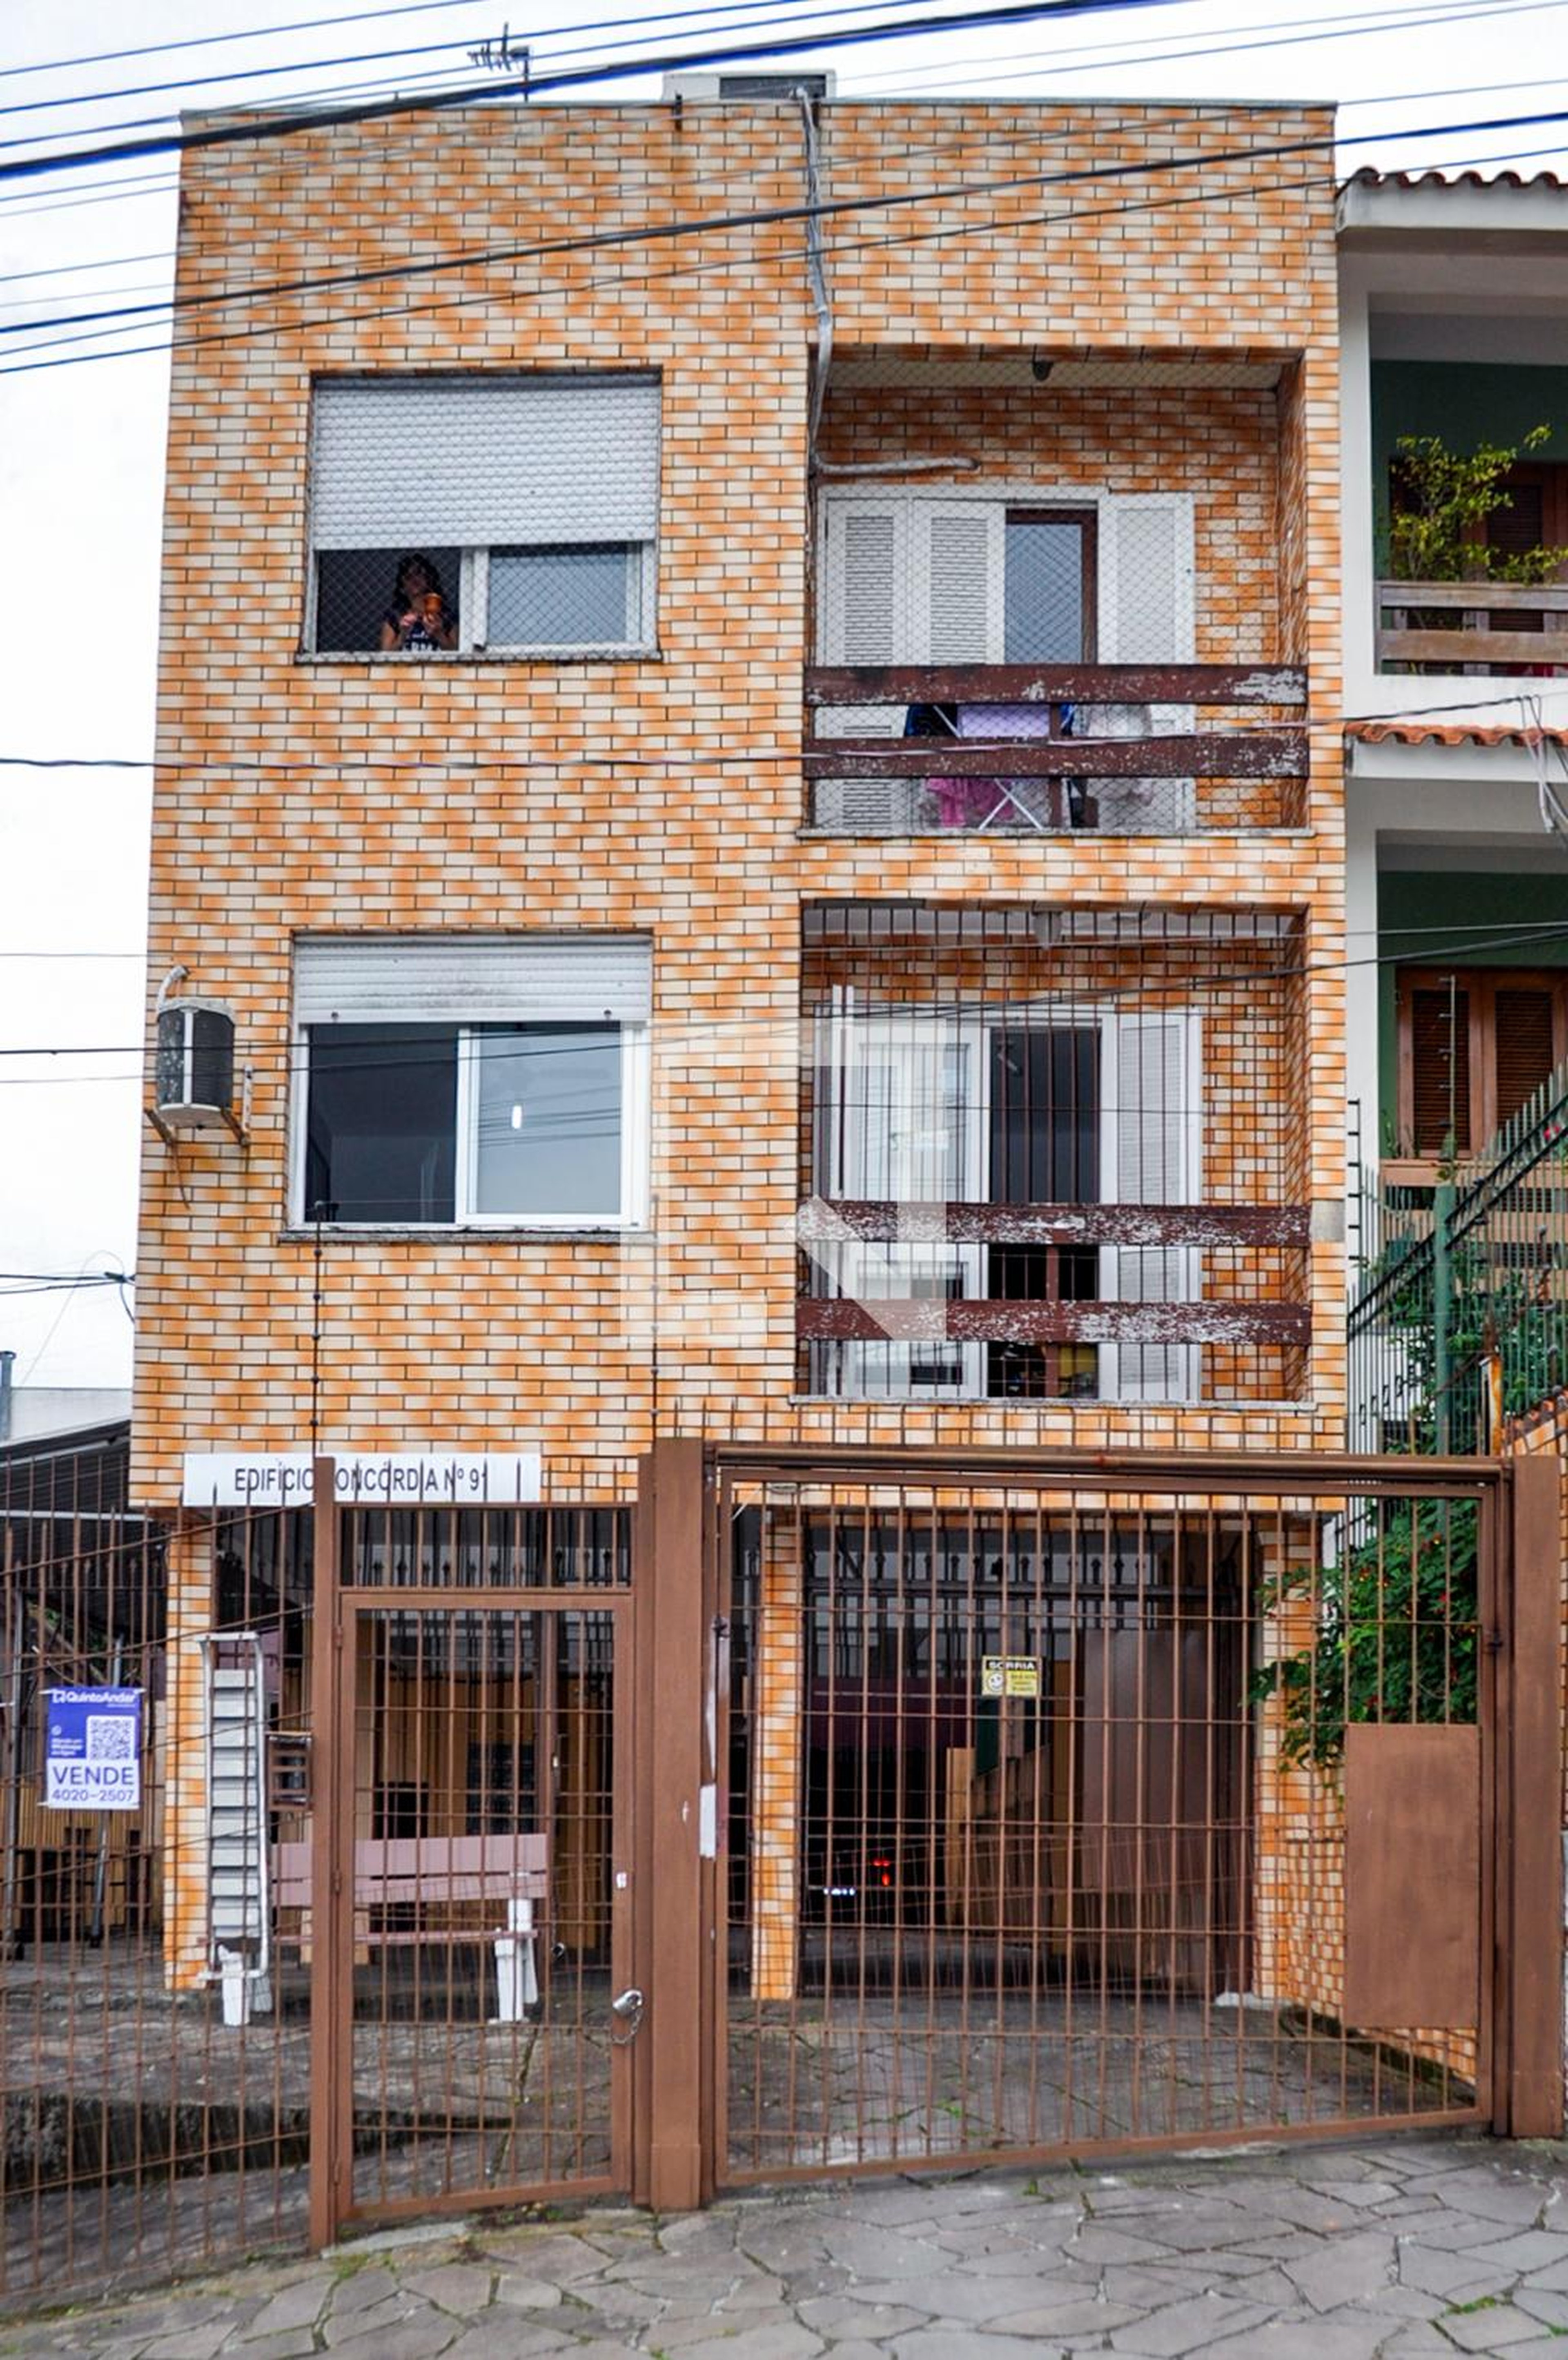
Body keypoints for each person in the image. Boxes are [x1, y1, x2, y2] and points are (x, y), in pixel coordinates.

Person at [380, 554, 458, 651]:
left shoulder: (445, 615)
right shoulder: (395, 615)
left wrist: (439, 634)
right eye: (408, 577)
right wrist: (402, 636)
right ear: (402, 587)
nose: (414, 579)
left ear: (429, 580)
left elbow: (457, 651)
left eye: (419, 574)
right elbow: (386, 654)